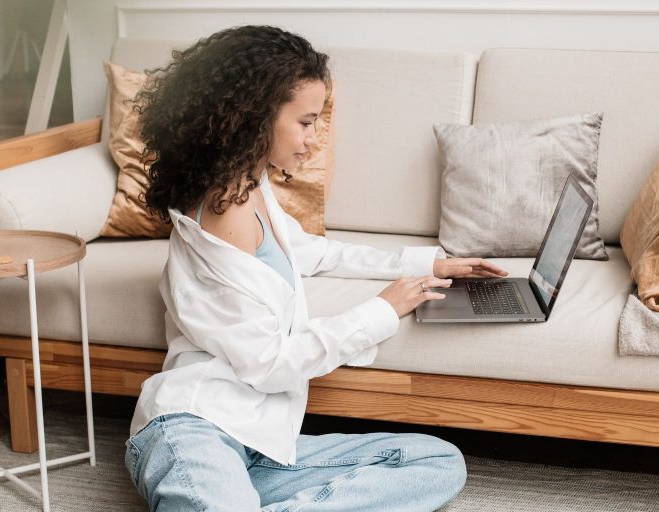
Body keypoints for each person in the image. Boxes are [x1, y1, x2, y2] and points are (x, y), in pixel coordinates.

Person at [123, 25, 509, 511]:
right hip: (193, 430)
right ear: (255, 118)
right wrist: (381, 311)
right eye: (305, 122)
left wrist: (430, 261)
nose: (312, 137)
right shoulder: (221, 213)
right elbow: (270, 364)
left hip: (262, 447)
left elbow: (312, 252)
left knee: (436, 462)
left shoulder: (249, 186)